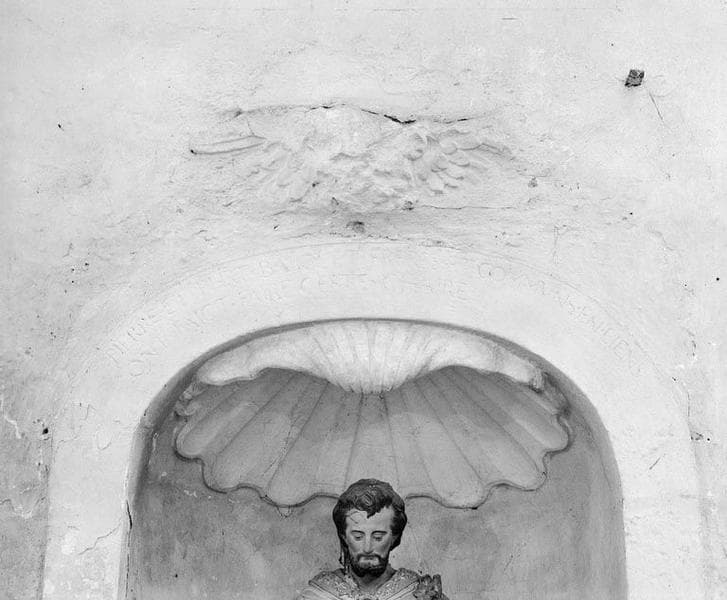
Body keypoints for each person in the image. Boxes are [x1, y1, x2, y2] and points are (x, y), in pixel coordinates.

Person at [297, 479, 448, 600]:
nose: (367, 548)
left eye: (378, 537)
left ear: (394, 537)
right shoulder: (318, 594)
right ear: (344, 536)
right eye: (358, 537)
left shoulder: (417, 592)